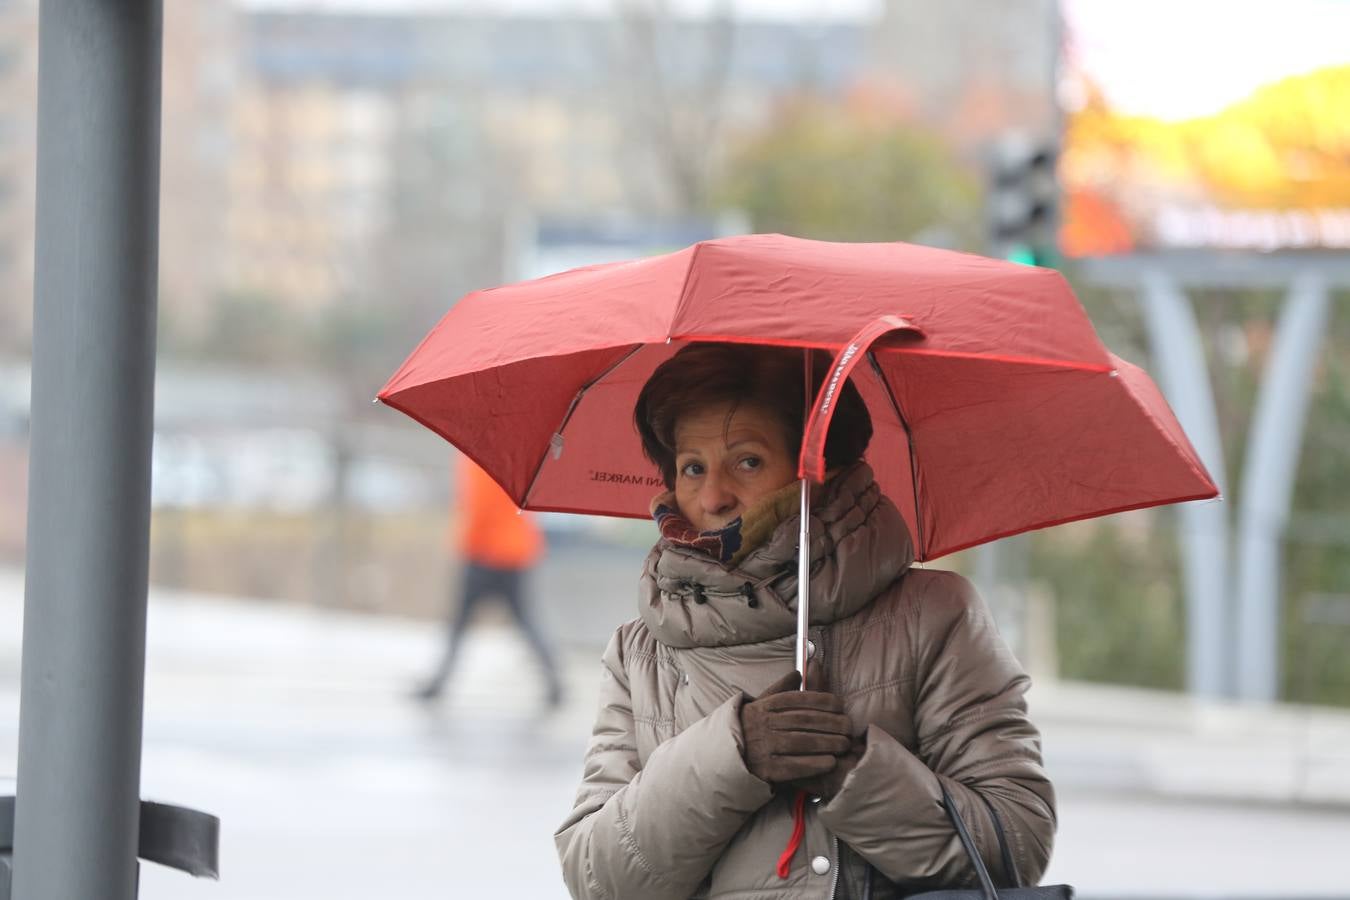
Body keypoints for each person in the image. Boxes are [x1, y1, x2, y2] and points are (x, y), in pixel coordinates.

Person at [555, 343, 1056, 899]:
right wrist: (734, 755)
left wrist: (853, 774)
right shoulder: (640, 651)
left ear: (821, 473)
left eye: (747, 461)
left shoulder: (935, 617)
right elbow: (597, 879)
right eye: (692, 468)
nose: (714, 496)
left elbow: (1017, 845)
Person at [414, 456, 564, 707]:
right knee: (526, 621)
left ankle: (438, 684)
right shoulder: (516, 456)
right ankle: (555, 684)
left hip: (486, 552)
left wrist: (466, 546)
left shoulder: (476, 458)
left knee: (460, 622)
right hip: (516, 549)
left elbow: (478, 508)